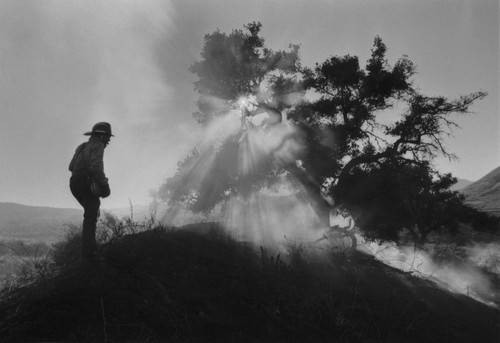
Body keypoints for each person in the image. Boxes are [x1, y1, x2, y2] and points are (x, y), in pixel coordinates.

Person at [69, 122, 113, 263]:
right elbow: (96, 167)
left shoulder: (81, 147)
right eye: (107, 136)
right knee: (91, 216)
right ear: (101, 135)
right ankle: (89, 254)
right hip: (86, 182)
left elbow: (71, 167)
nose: (108, 140)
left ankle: (88, 250)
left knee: (92, 212)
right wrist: (105, 185)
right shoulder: (98, 145)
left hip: (74, 183)